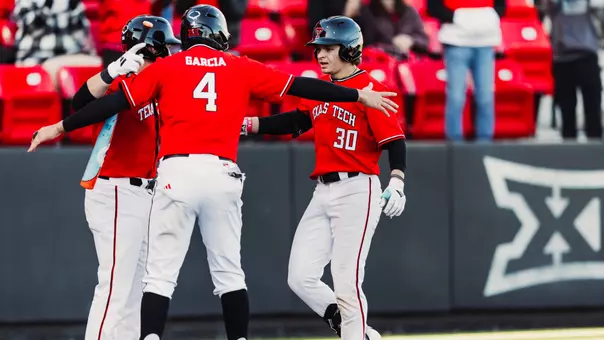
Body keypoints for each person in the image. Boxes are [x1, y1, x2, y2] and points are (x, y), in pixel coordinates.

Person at [28, 5, 398, 340]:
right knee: (229, 273)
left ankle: (151, 337)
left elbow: (105, 103)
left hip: (173, 174)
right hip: (220, 174)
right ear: (220, 35)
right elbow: (298, 86)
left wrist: (58, 128)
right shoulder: (238, 65)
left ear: (187, 37)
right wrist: (356, 95)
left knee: (157, 276)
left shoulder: (163, 69)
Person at [241, 16, 406, 340]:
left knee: (346, 280)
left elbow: (395, 141)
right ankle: (352, 328)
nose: (320, 54)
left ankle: (354, 334)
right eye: (318, 48)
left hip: (358, 188)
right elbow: (296, 121)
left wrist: (397, 180)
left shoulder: (370, 89)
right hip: (324, 190)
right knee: (300, 276)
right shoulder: (320, 90)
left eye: (328, 48)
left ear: (348, 49)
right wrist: (248, 124)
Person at [36, 15, 179, 340]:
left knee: (133, 290)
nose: (163, 57)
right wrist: (113, 70)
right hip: (116, 189)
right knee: (115, 287)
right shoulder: (122, 79)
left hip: (145, 192)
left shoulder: (158, 84)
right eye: (159, 51)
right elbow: (80, 102)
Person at [427, 0, 506, 140]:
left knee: (485, 97)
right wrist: (458, 18)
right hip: (455, 42)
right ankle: (454, 148)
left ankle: (484, 146)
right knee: (456, 97)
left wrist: (483, 18)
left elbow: (502, 7)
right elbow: (433, 7)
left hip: (485, 43)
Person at [547, 0, 602, 140]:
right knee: (567, 110)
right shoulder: (555, 4)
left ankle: (595, 147)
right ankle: (569, 148)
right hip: (562, 58)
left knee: (593, 108)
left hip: (587, 56)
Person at [360, 0, 429, 58]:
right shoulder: (368, 12)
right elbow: (366, 44)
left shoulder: (409, 11)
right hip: (380, 61)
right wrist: (392, 42)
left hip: (409, 62)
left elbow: (424, 40)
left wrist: (411, 40)